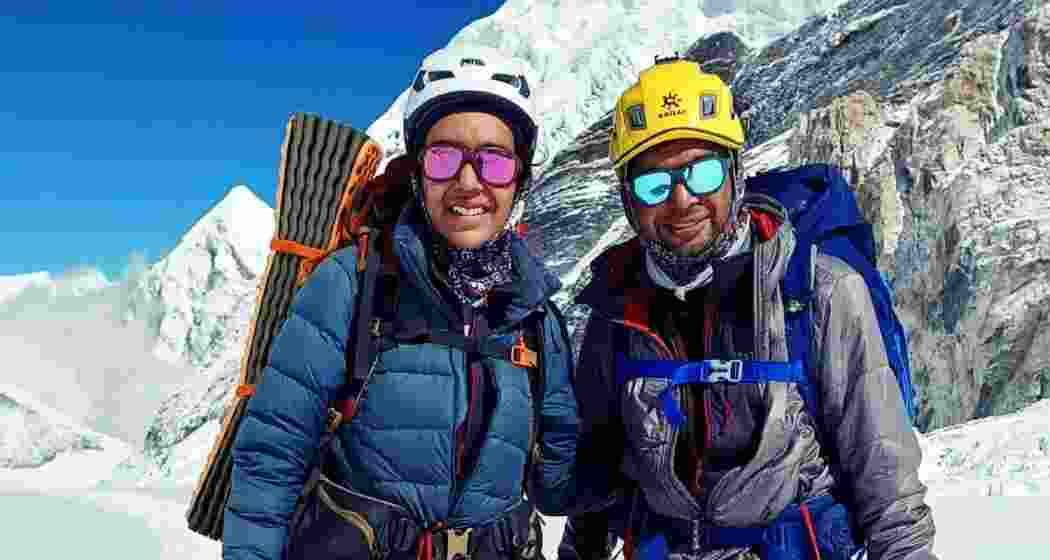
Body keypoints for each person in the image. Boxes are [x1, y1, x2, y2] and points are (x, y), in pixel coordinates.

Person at [558, 56, 937, 560]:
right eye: (654, 184)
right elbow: (597, 485)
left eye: (703, 172)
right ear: (629, 200)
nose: (681, 199)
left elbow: (886, 482)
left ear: (736, 173)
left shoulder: (818, 291)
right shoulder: (616, 313)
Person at [222, 46, 580, 560]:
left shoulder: (536, 318)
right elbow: (272, 456)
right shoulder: (351, 284)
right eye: (444, 157)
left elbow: (559, 483)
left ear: (519, 178)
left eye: (495, 161)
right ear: (417, 171)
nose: (469, 182)